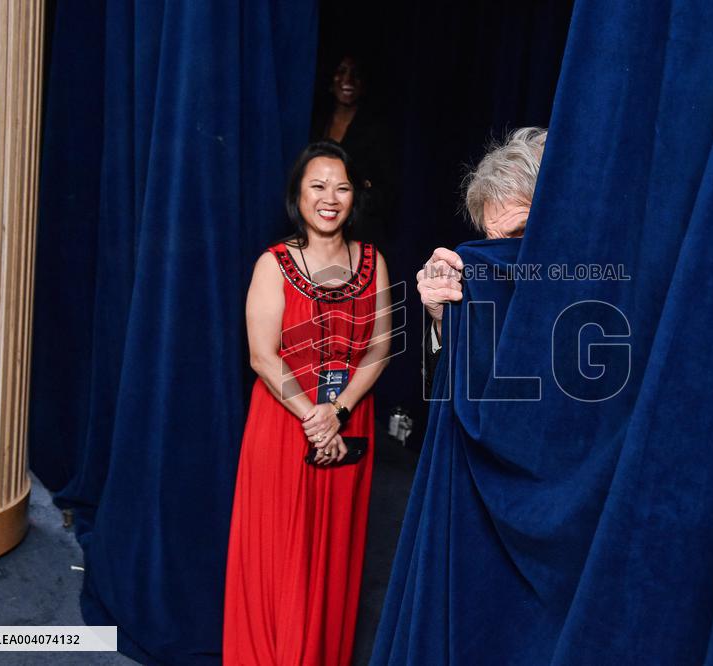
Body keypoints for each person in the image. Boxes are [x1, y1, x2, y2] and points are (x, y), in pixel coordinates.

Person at [224, 141, 392, 665]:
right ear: (298, 195)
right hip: (283, 425)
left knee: (333, 558)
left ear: (354, 196)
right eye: (317, 185)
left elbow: (382, 347)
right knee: (280, 557)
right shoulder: (273, 264)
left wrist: (336, 411)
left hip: (347, 421)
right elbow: (261, 356)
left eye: (341, 187)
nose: (330, 197)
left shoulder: (373, 261)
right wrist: (315, 418)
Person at [418, 127, 546, 393]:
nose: (503, 254)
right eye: (494, 241)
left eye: (520, 232)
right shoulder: (484, 289)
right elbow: (449, 398)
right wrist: (445, 322)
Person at [311, 54, 397, 249]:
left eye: (355, 74)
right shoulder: (314, 122)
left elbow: (385, 191)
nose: (347, 80)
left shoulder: (377, 129)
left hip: (360, 231)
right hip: (317, 226)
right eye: (341, 72)